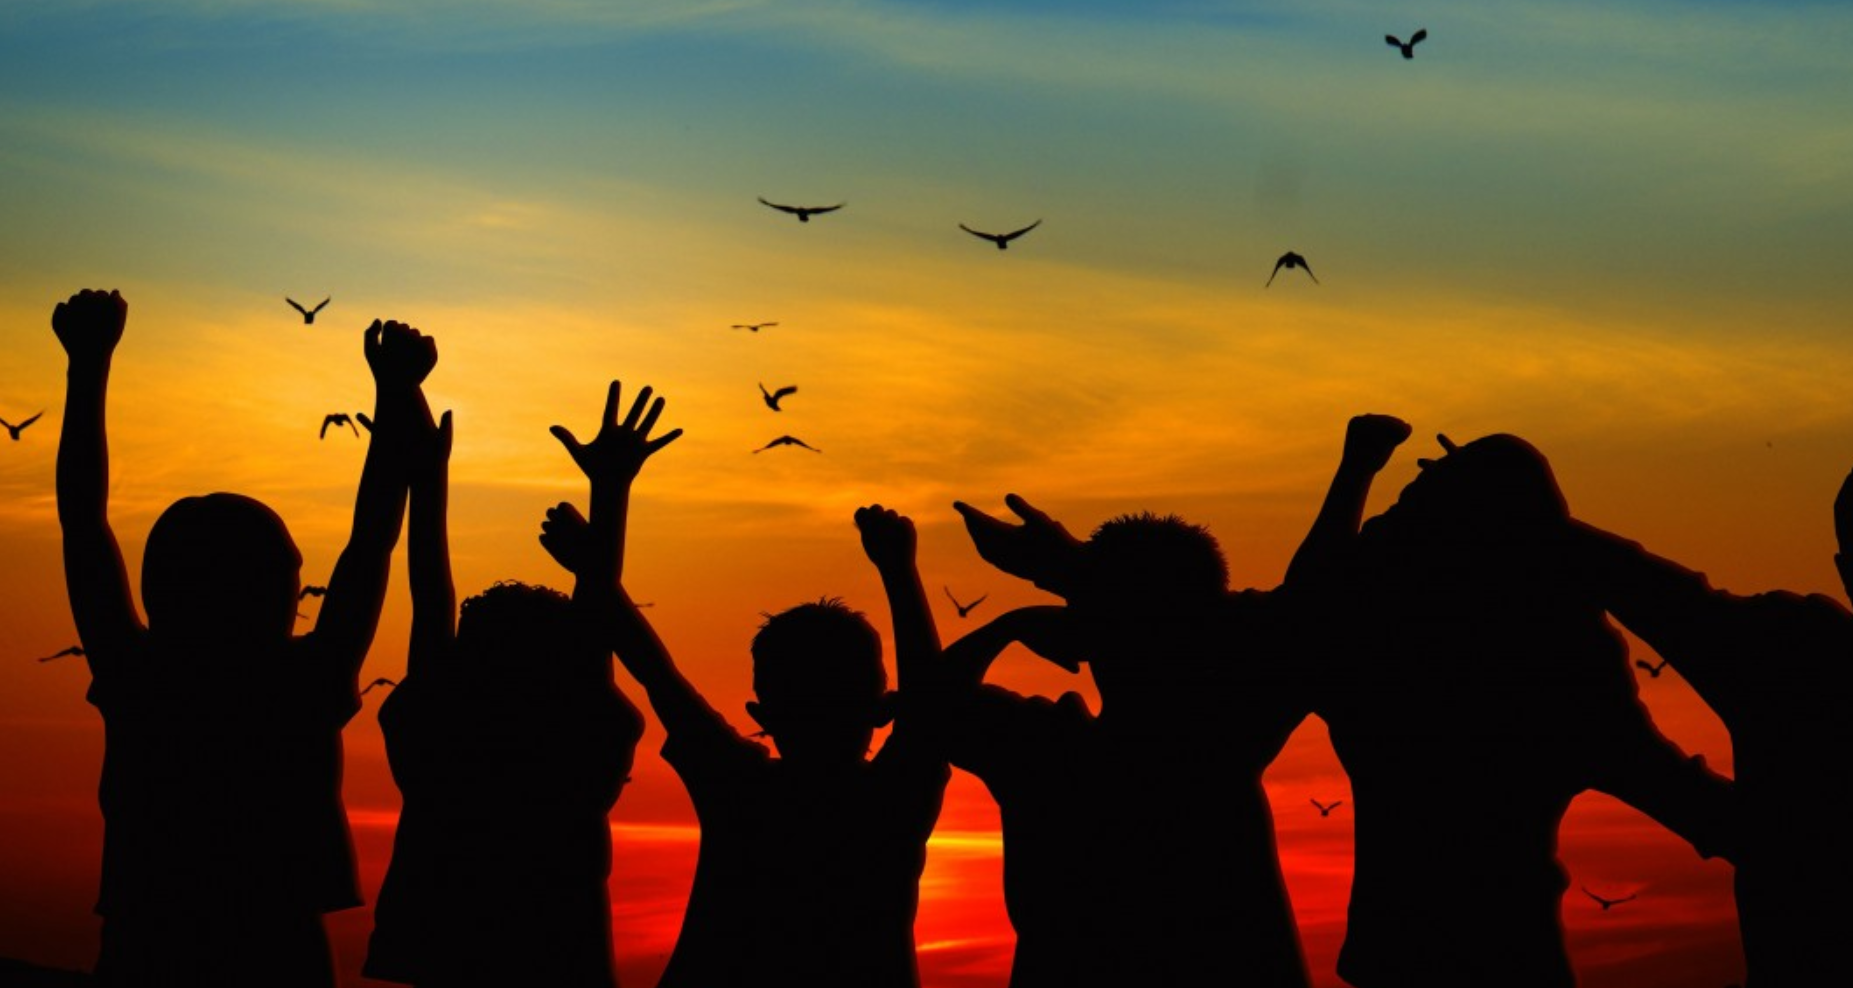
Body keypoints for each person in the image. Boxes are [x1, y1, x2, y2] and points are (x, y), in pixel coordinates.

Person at [939, 414, 1414, 988]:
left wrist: (1011, 624)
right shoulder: (1227, 730)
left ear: (1085, 631)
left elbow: (930, 706)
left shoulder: (1045, 752)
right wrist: (1356, 468)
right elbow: (1305, 604)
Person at [51, 288, 430, 987]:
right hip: (278, 943)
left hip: (147, 939)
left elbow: (82, 523)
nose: (301, 581)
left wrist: (88, 365)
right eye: (290, 571)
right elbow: (371, 542)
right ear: (266, 588)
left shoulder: (141, 677)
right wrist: (396, 396)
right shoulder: (302, 682)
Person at [538, 381, 950, 988]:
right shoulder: (891, 801)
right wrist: (899, 572)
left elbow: (652, 667)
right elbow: (931, 709)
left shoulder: (740, 787)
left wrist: (608, 502)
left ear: (762, 713)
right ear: (882, 707)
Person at [1295, 431, 1738, 988]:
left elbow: (1311, 600)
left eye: (1408, 504)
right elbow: (1708, 813)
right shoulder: (1561, 685)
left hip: (1398, 967)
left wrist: (1357, 470)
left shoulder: (1378, 664)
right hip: (1516, 962)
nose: (1384, 522)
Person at [363, 398, 645, 985]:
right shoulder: (573, 745)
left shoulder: (440, 733)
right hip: (561, 961)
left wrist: (426, 476)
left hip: (444, 958)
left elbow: (430, 597)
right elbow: (594, 632)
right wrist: (609, 492)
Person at [1572, 464, 1853, 987]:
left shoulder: (1804, 657)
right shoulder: (1804, 653)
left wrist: (1528, 513)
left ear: (1845, 566)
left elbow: (1651, 592)